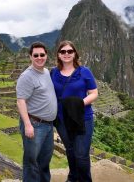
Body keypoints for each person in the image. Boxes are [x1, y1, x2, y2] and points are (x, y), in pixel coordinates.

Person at [51, 40, 98, 182]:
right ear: (58, 54)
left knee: (81, 154)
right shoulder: (53, 73)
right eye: (63, 51)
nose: (66, 54)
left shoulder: (84, 72)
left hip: (82, 118)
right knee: (70, 151)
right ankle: (73, 177)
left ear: (75, 53)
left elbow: (94, 93)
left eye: (69, 51)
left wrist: (78, 104)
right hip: (61, 119)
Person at [16, 41, 57, 182]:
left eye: (42, 55)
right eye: (36, 55)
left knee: (45, 161)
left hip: (48, 125)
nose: (39, 58)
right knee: (31, 162)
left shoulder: (46, 72)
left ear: (46, 55)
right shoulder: (27, 76)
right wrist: (27, 124)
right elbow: (21, 101)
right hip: (35, 125)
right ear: (30, 57)